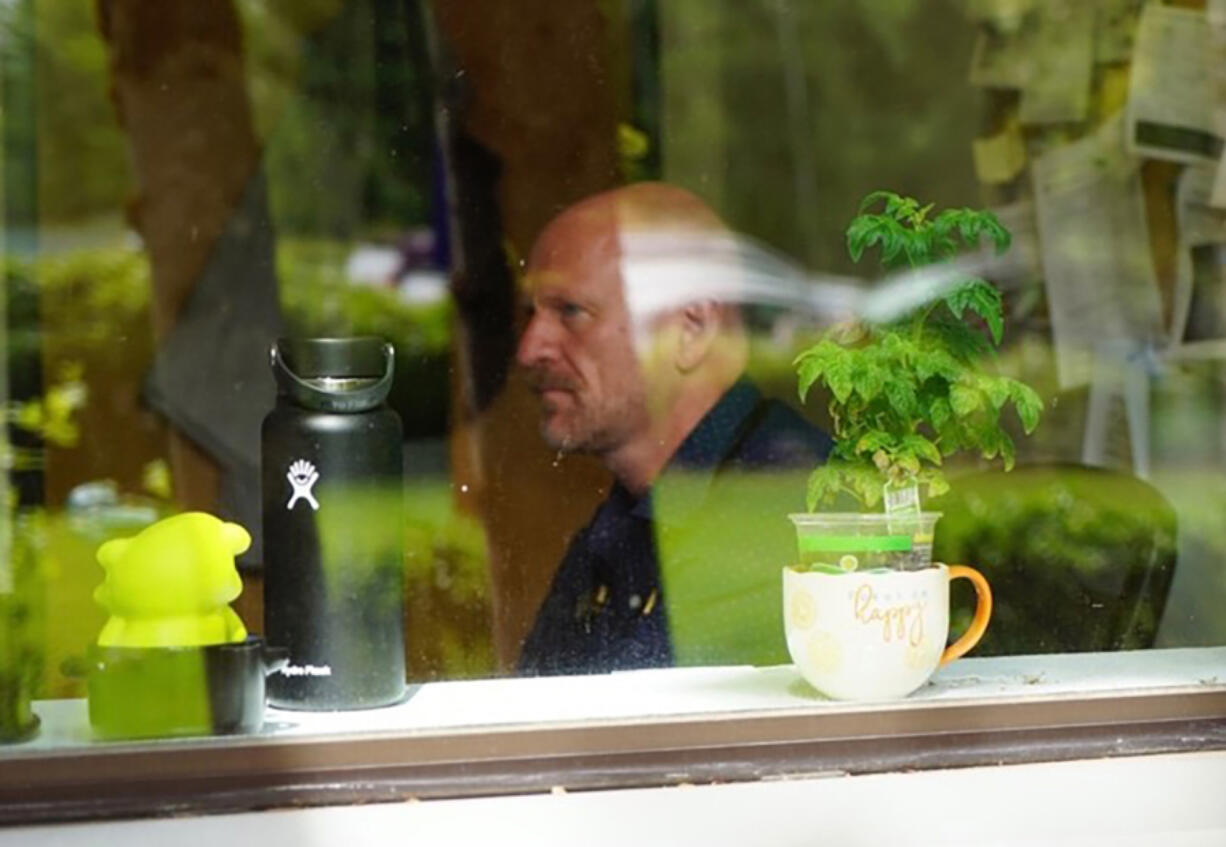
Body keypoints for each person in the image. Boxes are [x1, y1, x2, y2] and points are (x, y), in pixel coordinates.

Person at [516, 182, 831, 675]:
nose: (530, 348)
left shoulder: (793, 512)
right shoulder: (632, 513)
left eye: (571, 311)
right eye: (529, 314)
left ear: (692, 329)